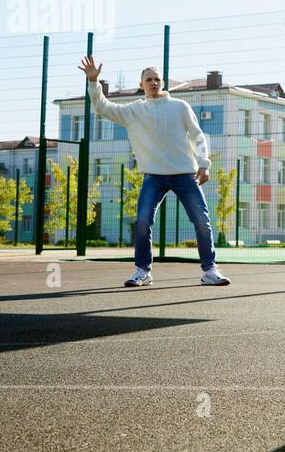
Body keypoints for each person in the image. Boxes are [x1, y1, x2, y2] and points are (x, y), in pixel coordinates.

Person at [77, 56, 231, 288]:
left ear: (163, 83)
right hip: (154, 176)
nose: (153, 83)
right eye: (148, 79)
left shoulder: (180, 107)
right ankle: (142, 271)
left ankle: (210, 271)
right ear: (141, 85)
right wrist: (93, 81)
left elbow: (198, 136)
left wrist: (204, 163)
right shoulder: (133, 111)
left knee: (201, 221)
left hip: (184, 174)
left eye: (157, 79)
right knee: (142, 221)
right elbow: (101, 107)